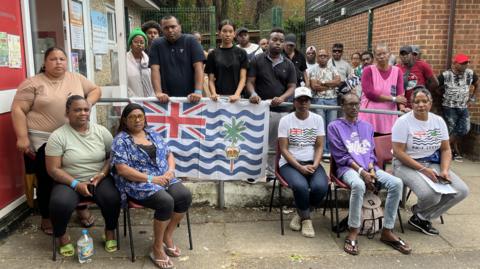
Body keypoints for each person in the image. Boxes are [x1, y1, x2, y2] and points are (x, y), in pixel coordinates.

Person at [11, 47, 101, 235]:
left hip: (73, 136)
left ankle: (81, 208)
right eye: (53, 59)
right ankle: (46, 216)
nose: (58, 62)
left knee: (78, 171)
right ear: (44, 62)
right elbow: (18, 109)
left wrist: (88, 104)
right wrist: (22, 137)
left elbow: (95, 89)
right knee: (46, 179)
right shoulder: (33, 83)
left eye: (62, 58)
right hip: (44, 139)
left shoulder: (75, 78)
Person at [328, 93, 411, 255]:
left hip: (370, 168)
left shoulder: (367, 126)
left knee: (396, 183)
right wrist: (362, 172)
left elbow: (370, 154)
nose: (354, 107)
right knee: (358, 185)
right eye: (350, 104)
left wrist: (371, 171)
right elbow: (341, 157)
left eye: (357, 104)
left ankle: (387, 230)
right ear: (342, 106)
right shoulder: (334, 126)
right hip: (348, 169)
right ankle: (353, 230)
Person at [111, 103, 192, 269]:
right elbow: (122, 169)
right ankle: (156, 247)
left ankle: (167, 236)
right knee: (166, 201)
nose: (137, 120)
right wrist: (151, 179)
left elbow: (169, 154)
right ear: (125, 120)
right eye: (132, 117)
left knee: (184, 196)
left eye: (140, 116)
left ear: (145, 118)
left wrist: (170, 170)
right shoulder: (121, 140)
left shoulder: (153, 134)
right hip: (138, 183)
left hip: (164, 177)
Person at [45, 95, 120, 256]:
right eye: (77, 110)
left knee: (113, 198)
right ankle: (63, 237)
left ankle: (110, 232)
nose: (83, 113)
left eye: (86, 109)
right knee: (59, 203)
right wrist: (75, 184)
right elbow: (53, 169)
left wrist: (102, 173)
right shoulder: (58, 136)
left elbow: (111, 158)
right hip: (68, 180)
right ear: (67, 112)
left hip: (98, 179)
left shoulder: (101, 131)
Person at [392, 87, 469, 235]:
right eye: (417, 102)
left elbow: (446, 149)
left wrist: (445, 170)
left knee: (462, 191)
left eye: (424, 101)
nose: (421, 105)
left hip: (432, 162)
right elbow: (398, 152)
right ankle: (422, 214)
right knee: (432, 196)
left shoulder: (438, 121)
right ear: (412, 104)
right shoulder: (403, 122)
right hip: (405, 164)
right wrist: (423, 170)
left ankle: (421, 216)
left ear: (430, 103)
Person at [278, 87, 329, 238]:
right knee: (300, 186)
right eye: (299, 100)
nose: (303, 103)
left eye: (306, 100)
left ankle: (301, 212)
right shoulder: (285, 120)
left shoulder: (317, 119)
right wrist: (299, 167)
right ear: (294, 102)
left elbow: (319, 145)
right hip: (290, 163)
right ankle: (306, 220)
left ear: (310, 102)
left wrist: (315, 163)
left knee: (320, 187)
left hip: (311, 162)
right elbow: (284, 149)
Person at [247, 27, 296, 181]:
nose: (277, 43)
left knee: (275, 145)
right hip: (260, 109)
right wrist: (253, 94)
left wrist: (282, 98)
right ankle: (253, 173)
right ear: (268, 41)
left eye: (281, 41)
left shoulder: (288, 64)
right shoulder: (257, 60)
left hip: (280, 110)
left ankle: (270, 174)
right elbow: (250, 82)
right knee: (256, 142)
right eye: (274, 40)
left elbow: (292, 87)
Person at [149, 15, 206, 103]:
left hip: (191, 99)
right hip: (165, 100)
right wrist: (158, 92)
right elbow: (154, 69)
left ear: (180, 26)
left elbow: (199, 67)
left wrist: (198, 92)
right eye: (166, 28)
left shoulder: (191, 41)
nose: (170, 30)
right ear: (162, 30)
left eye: (173, 27)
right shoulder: (156, 44)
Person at [437, 53, 479, 161]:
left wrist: (472, 99)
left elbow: (477, 84)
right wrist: (443, 96)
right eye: (462, 63)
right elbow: (435, 86)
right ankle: (452, 152)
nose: (465, 66)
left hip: (463, 106)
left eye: (466, 63)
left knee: (465, 128)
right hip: (449, 107)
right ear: (455, 63)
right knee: (450, 129)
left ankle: (440, 148)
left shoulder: (470, 73)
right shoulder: (445, 75)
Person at [359, 44, 407, 135]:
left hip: (389, 116)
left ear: (389, 54)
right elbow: (369, 93)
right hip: (370, 115)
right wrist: (393, 99)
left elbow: (400, 93)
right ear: (374, 56)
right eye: (378, 54)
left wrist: (402, 107)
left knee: (386, 146)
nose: (381, 56)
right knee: (369, 145)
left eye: (384, 53)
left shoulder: (397, 71)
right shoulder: (368, 70)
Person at [308, 49, 341, 160]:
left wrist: (322, 83)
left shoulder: (333, 69)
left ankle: (331, 151)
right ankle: (323, 151)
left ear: (328, 57)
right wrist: (330, 85)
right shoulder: (313, 70)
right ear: (317, 57)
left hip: (332, 100)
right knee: (320, 126)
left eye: (325, 56)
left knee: (331, 126)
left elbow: (337, 82)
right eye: (320, 56)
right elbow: (314, 86)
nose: (323, 57)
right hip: (318, 100)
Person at [205, 20, 248, 103]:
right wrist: (213, 93)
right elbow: (210, 80)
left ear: (234, 33)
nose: (227, 34)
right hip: (219, 99)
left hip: (238, 98)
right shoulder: (212, 54)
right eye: (224, 31)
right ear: (219, 33)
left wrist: (236, 94)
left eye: (230, 31)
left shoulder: (242, 53)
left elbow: (243, 78)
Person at [127, 28, 154, 97]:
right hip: (131, 102)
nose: (139, 44)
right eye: (135, 42)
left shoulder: (149, 60)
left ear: (145, 45)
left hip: (149, 101)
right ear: (130, 44)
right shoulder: (123, 61)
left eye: (142, 42)